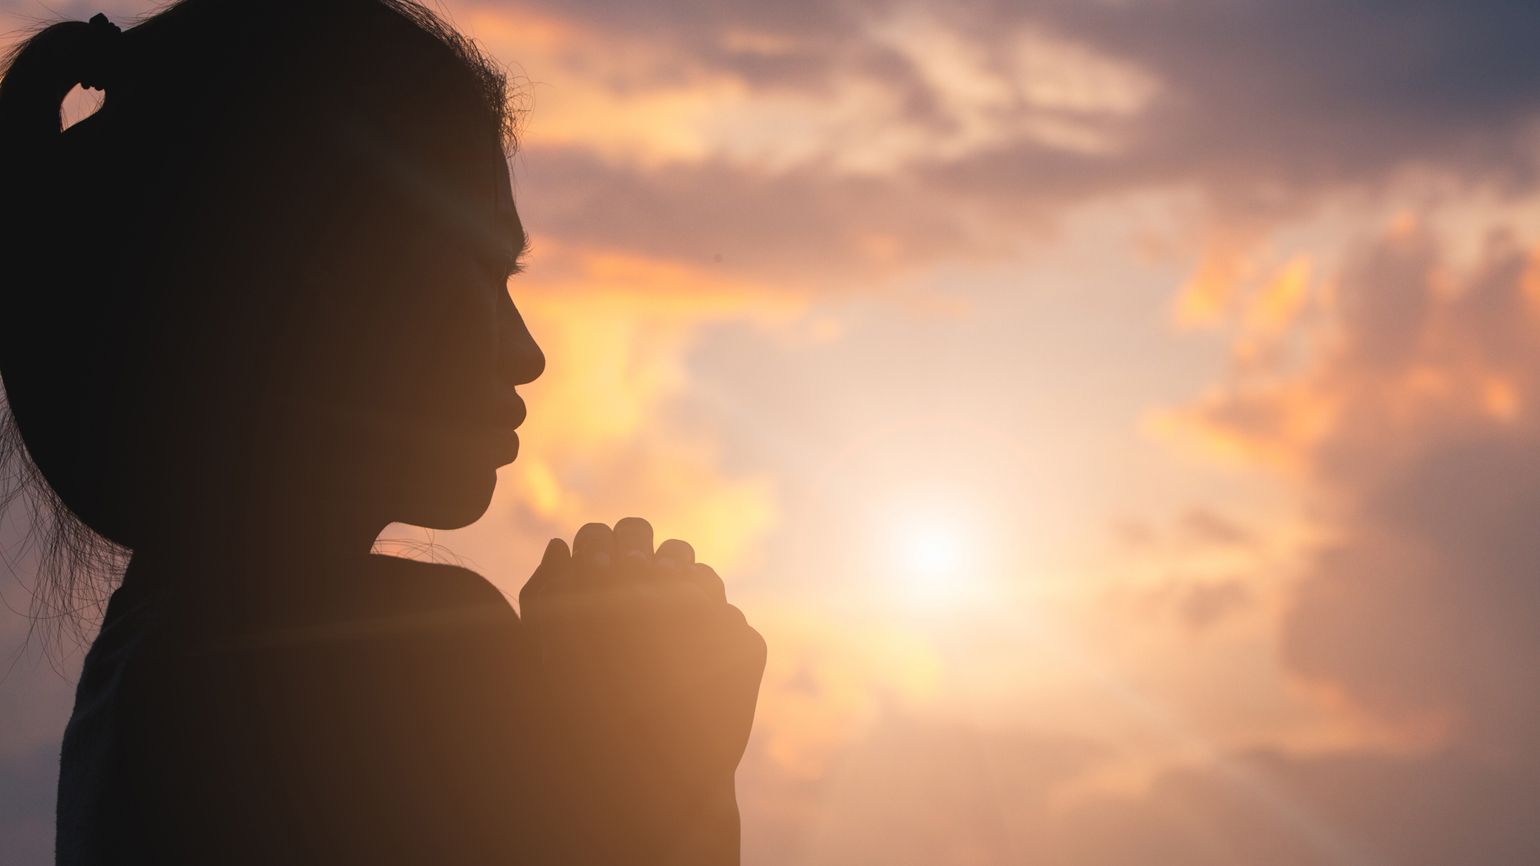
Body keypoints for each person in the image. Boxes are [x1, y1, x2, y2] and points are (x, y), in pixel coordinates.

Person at [0, 2, 767, 863]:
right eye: (474, 273)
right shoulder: (400, 668)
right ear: (310, 291)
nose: (528, 354)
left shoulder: (135, 681)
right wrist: (669, 756)